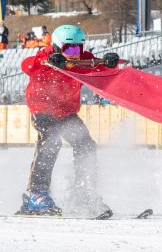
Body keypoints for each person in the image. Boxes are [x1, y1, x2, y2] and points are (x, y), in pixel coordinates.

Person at [17, 24, 120, 217]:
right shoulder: (45, 57)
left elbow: (99, 69)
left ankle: (82, 192)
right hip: (43, 109)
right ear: (57, 47)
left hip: (66, 112)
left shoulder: (83, 60)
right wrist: (49, 60)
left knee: (86, 145)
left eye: (78, 48)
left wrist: (110, 63)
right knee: (51, 142)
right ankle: (36, 195)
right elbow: (27, 65)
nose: (75, 53)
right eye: (69, 49)